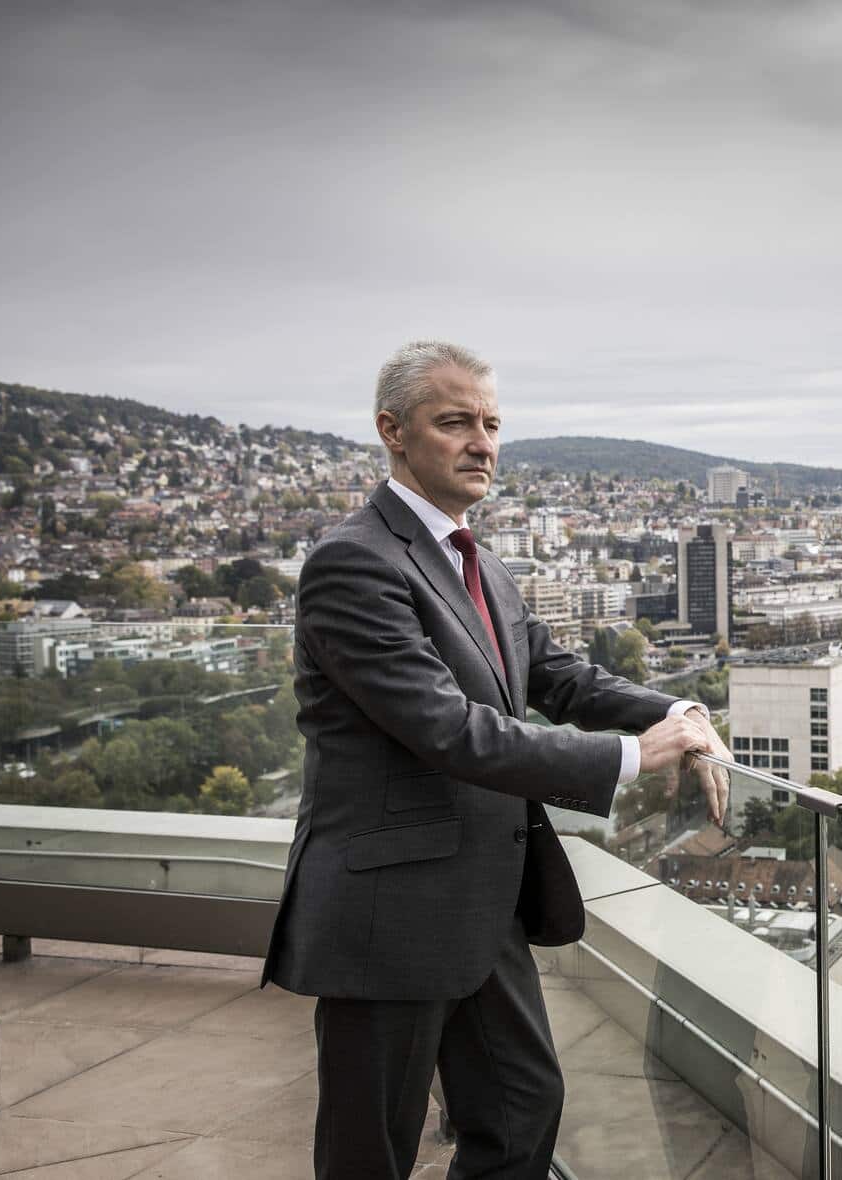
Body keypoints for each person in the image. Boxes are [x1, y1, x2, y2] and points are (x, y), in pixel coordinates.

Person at [260, 340, 732, 1179]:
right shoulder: (352, 562)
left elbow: (559, 676)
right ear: (393, 431)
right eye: (455, 423)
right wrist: (633, 755)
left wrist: (676, 711)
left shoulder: (479, 561)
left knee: (522, 1111)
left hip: (483, 901)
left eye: (491, 424)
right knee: (371, 1150)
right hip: (389, 908)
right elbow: (448, 729)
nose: (482, 443)